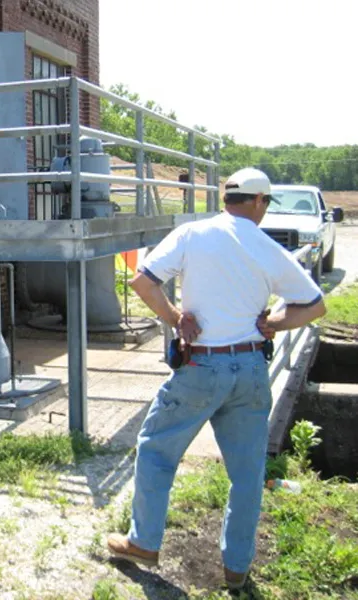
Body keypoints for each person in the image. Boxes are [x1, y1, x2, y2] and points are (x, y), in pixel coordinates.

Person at [105, 167, 326, 590]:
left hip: (201, 367)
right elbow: (314, 306)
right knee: (246, 473)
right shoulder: (267, 247)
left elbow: (143, 281)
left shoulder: (193, 234)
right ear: (259, 202)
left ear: (226, 198)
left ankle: (144, 541)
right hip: (249, 369)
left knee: (156, 450)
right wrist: (274, 324)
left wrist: (175, 317)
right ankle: (236, 568)